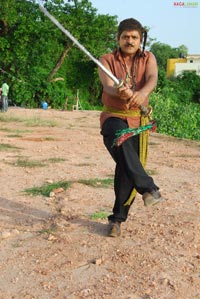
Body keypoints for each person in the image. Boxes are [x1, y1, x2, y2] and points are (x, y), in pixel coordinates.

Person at [98, 18, 164, 237]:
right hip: (114, 116)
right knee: (121, 140)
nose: (130, 40)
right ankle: (148, 187)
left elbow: (153, 78)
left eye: (134, 37)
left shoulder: (149, 58)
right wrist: (121, 92)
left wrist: (142, 93)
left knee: (127, 168)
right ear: (118, 38)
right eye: (125, 36)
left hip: (138, 121)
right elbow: (108, 86)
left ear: (140, 39)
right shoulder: (106, 60)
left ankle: (117, 220)